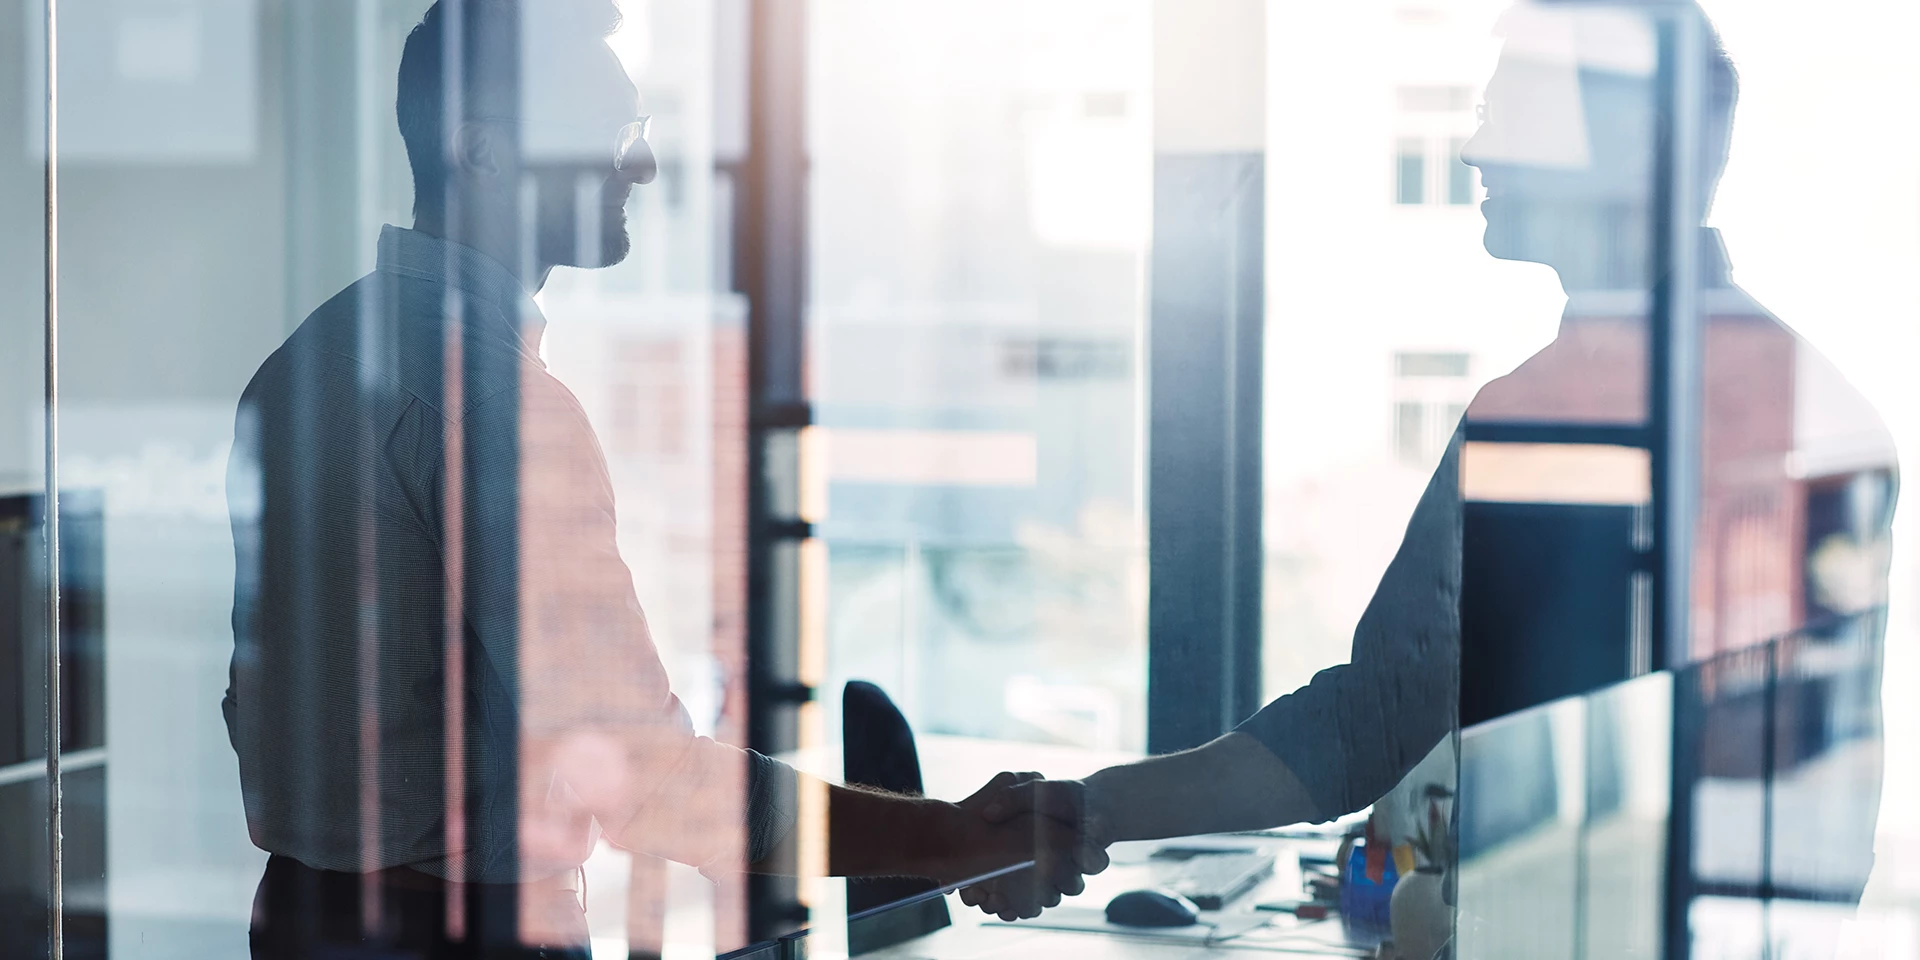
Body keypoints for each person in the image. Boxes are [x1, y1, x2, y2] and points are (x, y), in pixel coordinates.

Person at [965, 2, 1894, 940]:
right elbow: (1821, 823)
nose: (1471, 151)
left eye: (1510, 114)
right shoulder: (1820, 409)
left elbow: (1366, 724)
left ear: (1628, 148)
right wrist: (1091, 810)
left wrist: (1089, 812)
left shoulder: (1549, 423)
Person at [223, 3, 1074, 957]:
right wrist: (949, 839)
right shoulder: (492, 403)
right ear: (485, 153)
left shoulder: (303, 364)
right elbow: (645, 779)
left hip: (300, 920)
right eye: (606, 135)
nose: (641, 166)